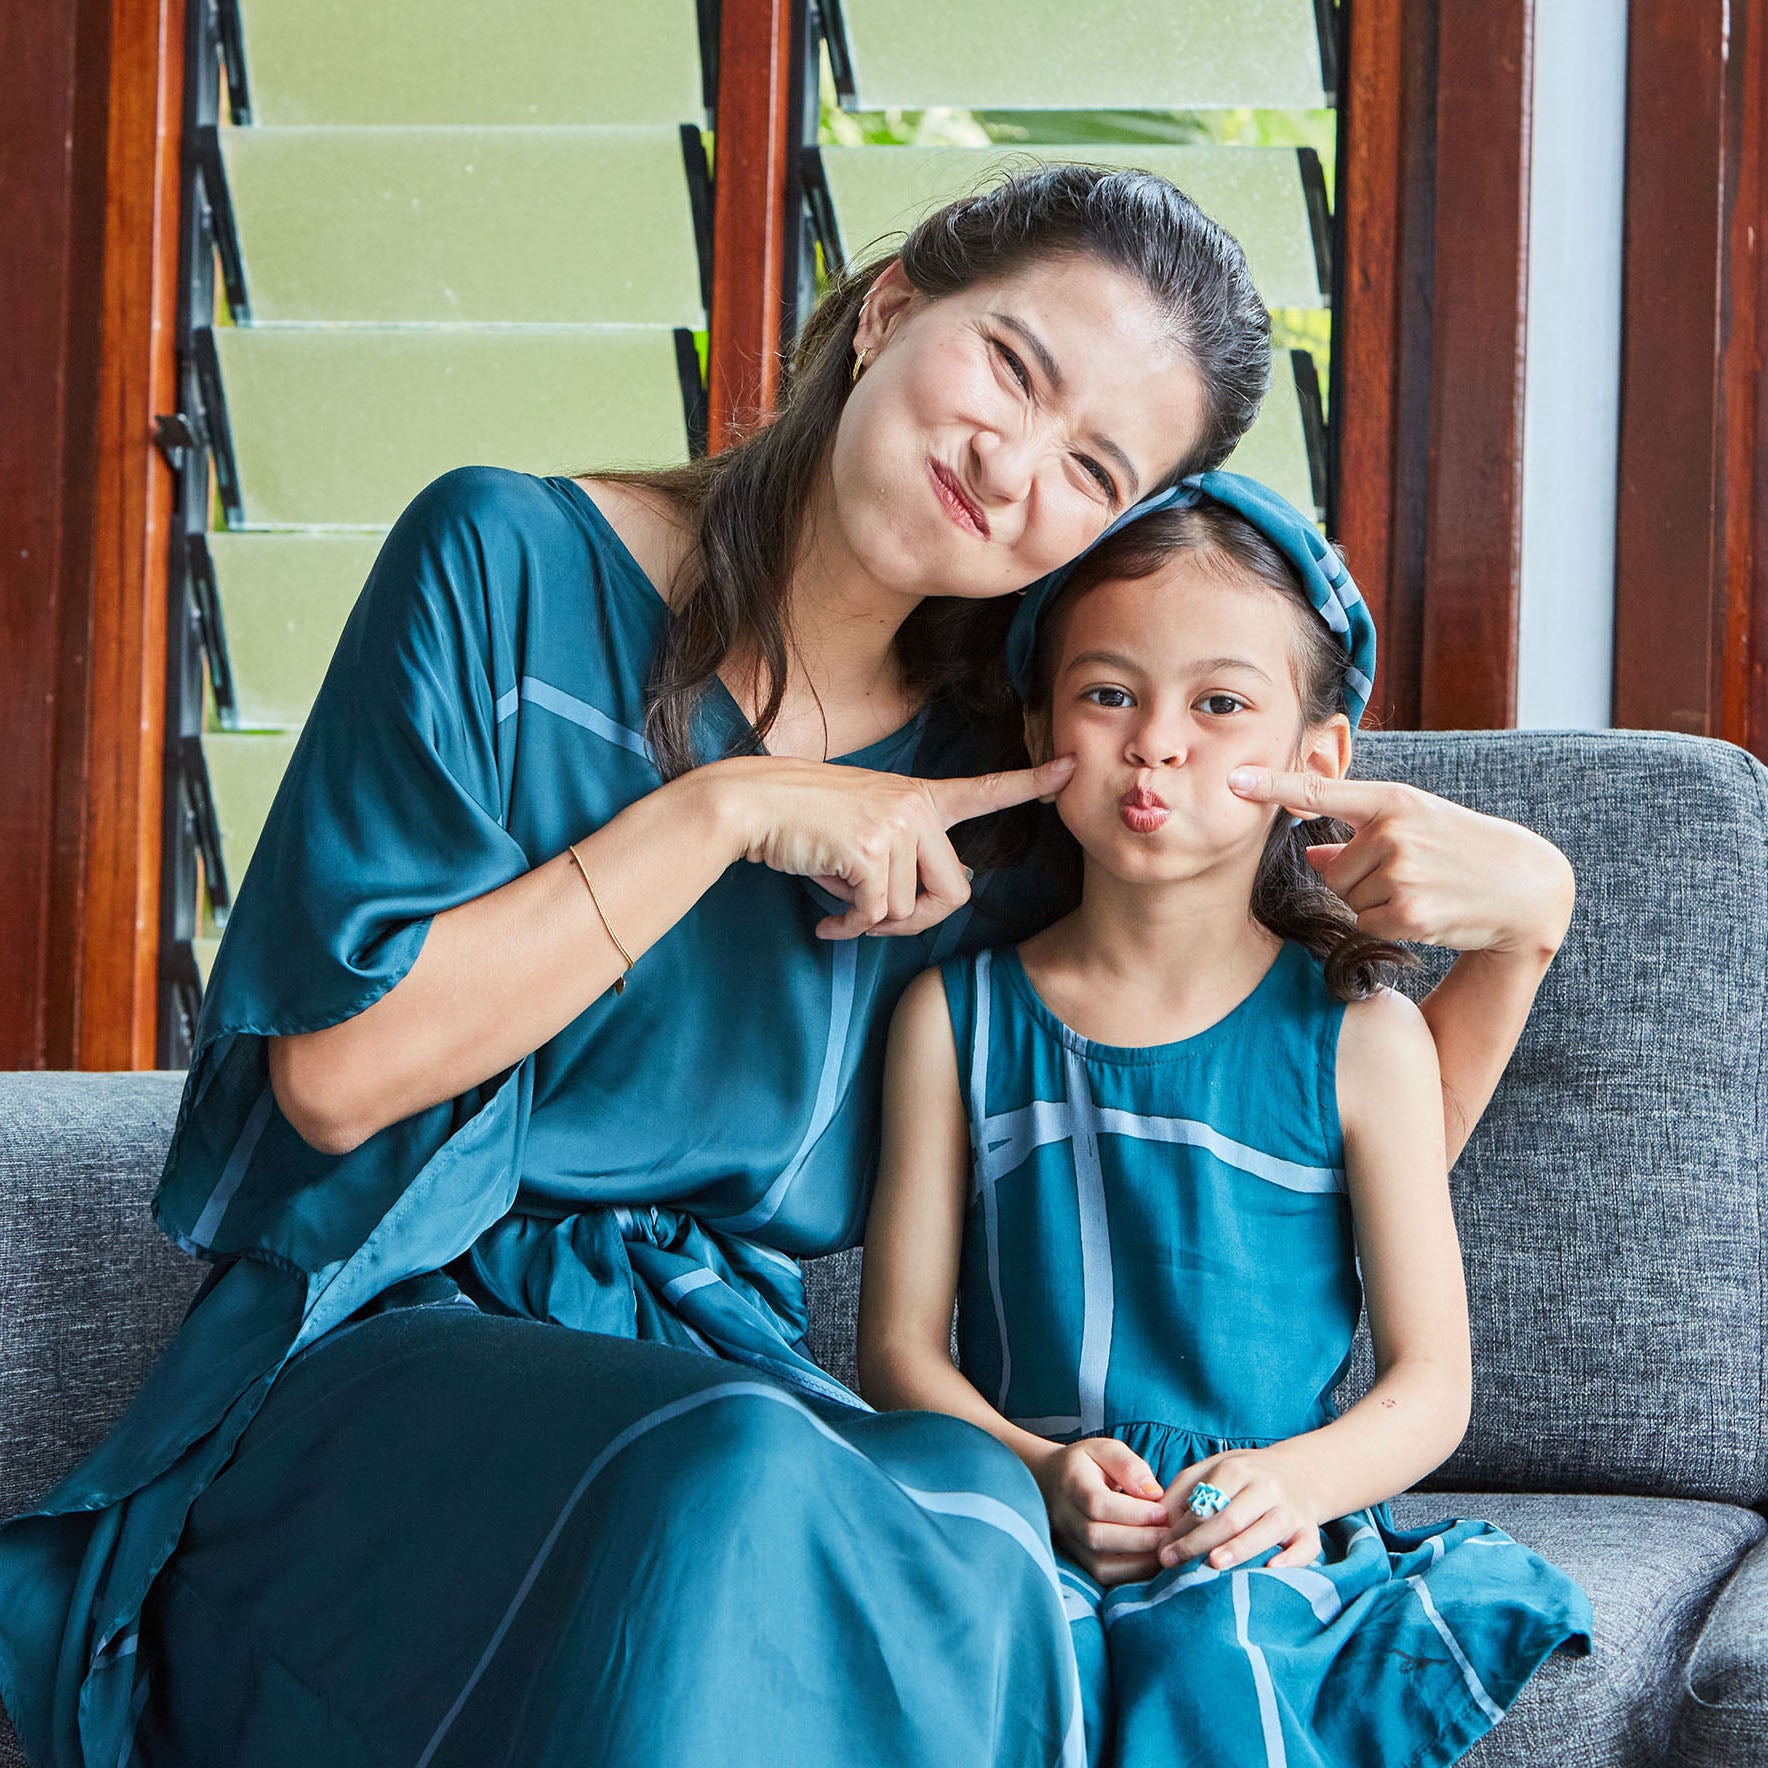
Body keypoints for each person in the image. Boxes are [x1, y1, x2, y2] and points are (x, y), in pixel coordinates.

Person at [0, 166, 1578, 1768]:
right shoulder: (502, 560)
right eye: (1013, 370)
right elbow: (335, 1080)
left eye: (1089, 467)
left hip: (732, 1390)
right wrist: (727, 810)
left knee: (967, 1513)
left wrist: (1526, 917)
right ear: (892, 307)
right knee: (742, 1477)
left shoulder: (1008, 777)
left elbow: (1275, 1147)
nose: (1011, 462)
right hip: (381, 1368)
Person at [856, 471, 1596, 1768]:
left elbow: (1433, 1385)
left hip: (1250, 1531)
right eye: (1108, 693)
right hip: (1009, 1511)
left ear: (1315, 760)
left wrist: (1290, 1487)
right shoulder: (953, 1021)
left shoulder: (1364, 1041)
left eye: (1218, 704)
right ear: (1039, 721)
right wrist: (1039, 1472)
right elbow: (901, 1355)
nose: (1156, 743)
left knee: (1216, 1662)